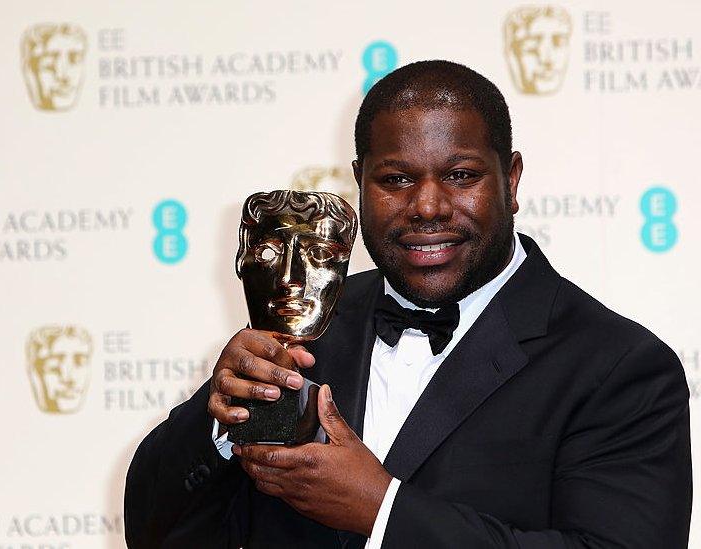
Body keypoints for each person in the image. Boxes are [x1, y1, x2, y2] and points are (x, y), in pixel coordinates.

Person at [124, 60, 691, 548]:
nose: (427, 206)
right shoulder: (311, 326)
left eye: (461, 175)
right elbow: (154, 532)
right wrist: (219, 425)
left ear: (511, 180)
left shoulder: (618, 367)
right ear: (359, 181)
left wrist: (383, 512)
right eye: (395, 179)